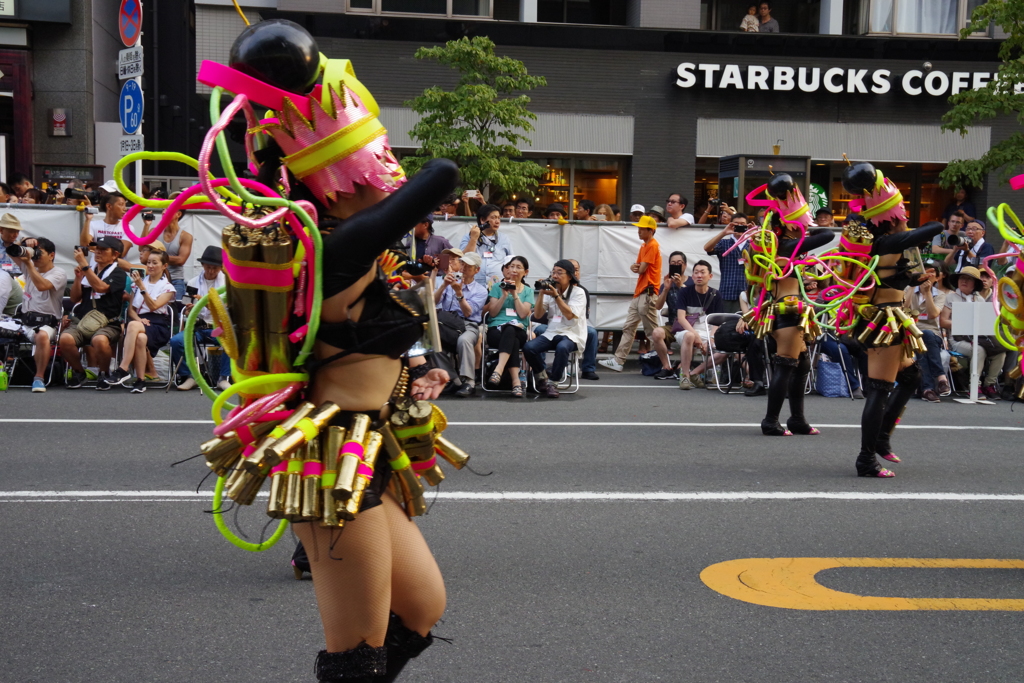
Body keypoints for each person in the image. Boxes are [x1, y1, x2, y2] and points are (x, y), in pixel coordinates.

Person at [197, 21, 471, 680]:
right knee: (358, 653)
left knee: (423, 605)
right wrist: (297, 109)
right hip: (327, 463)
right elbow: (441, 175)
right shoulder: (326, 250)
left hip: (367, 446)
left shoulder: (348, 245)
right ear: (329, 177)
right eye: (370, 159)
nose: (388, 169)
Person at [837, 161, 944, 477]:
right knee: (879, 388)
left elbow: (894, 279)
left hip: (892, 317)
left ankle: (882, 438)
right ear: (890, 217)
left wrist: (915, 279)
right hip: (883, 321)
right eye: (901, 213)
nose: (907, 218)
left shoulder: (888, 244)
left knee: (911, 378)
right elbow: (935, 227)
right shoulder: (887, 242)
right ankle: (866, 459)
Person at [736, 183, 834, 436]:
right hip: (787, 311)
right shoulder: (787, 247)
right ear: (790, 223)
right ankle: (770, 421)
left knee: (801, 365)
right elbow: (828, 235)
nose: (806, 224)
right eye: (802, 220)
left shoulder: (783, 245)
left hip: (789, 309)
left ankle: (797, 419)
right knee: (786, 365)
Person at [59, 236, 129, 390]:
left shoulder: (119, 273)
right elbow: (74, 298)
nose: (98, 252)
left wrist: (85, 267)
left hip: (108, 322)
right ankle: (79, 372)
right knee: (65, 339)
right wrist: (78, 279)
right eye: (97, 248)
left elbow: (101, 288)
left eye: (103, 249)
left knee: (99, 340)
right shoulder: (90, 270)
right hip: (83, 320)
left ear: (115, 254)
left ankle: (103, 373)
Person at [599, 215, 662, 373]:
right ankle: (618, 360)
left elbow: (639, 268)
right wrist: (636, 267)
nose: (639, 231)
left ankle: (660, 361)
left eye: (642, 229)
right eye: (639, 228)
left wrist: (637, 267)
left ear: (651, 230)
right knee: (630, 327)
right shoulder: (645, 245)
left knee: (652, 331)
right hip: (642, 292)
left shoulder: (652, 245)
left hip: (647, 292)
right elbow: (638, 266)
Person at [109, 251, 176, 393]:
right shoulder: (138, 284)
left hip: (158, 324)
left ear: (164, 266)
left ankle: (123, 368)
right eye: (149, 262)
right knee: (140, 337)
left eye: (154, 263)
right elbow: (131, 310)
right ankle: (141, 380)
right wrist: (140, 320)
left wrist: (142, 287)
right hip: (141, 321)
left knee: (133, 326)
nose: (150, 266)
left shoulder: (167, 287)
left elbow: (154, 306)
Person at [524, 260, 588, 398]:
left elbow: (570, 315)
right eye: (553, 272)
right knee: (529, 347)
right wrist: (541, 294)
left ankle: (554, 383)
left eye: (559, 272)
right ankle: (542, 377)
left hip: (572, 333)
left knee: (563, 347)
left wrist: (556, 296)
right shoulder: (550, 290)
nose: (555, 276)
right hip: (552, 332)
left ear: (569, 276)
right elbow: (538, 315)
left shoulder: (579, 292)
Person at [10, 237, 67, 392]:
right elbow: (11, 249)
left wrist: (29, 264)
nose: (35, 256)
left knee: (41, 335)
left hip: (46, 324)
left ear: (51, 255)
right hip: (24, 321)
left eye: (38, 253)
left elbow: (42, 286)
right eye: (34, 253)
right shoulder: (29, 266)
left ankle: (39, 378)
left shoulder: (59, 273)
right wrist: (25, 241)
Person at [940, 266, 1004, 400]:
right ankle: (975, 385)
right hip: (957, 340)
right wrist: (964, 322)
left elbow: (986, 323)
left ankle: (989, 385)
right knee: (979, 350)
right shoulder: (951, 297)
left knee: (1000, 352)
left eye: (969, 279)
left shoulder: (979, 299)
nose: (964, 281)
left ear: (975, 284)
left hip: (979, 338)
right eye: (962, 278)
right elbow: (943, 322)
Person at [171, 246, 230, 391]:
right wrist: (189, 311)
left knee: (231, 340)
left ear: (221, 268)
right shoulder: (192, 282)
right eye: (208, 267)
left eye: (215, 268)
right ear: (203, 265)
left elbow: (226, 309)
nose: (211, 271)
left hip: (219, 327)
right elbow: (185, 308)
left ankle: (223, 378)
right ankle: (190, 376)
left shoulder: (227, 284)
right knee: (176, 341)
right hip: (198, 326)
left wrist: (204, 302)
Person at [434, 251, 487, 397]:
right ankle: (454, 380)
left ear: (477, 270)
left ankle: (469, 382)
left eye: (469, 266)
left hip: (468, 325)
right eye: (462, 263)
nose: (463, 268)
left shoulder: (481, 290)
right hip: (447, 322)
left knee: (464, 340)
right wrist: (444, 286)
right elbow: (434, 302)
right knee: (434, 341)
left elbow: (468, 313)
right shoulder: (449, 281)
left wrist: (459, 294)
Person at [484, 255, 534, 397]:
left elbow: (523, 314)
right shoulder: (496, 287)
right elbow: (492, 313)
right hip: (496, 331)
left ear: (526, 272)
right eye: (512, 266)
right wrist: (504, 295)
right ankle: (516, 382)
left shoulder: (528, 291)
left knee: (512, 329)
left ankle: (498, 370)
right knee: (512, 337)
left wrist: (514, 294)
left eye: (518, 267)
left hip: (519, 329)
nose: (514, 270)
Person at [676, 260, 726, 389]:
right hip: (687, 330)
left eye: (702, 272)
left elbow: (718, 321)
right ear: (692, 276)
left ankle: (695, 372)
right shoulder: (684, 292)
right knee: (689, 336)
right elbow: (681, 318)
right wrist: (695, 335)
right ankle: (685, 376)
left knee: (724, 350)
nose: (699, 275)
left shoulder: (716, 294)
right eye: (696, 273)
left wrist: (711, 338)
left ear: (710, 276)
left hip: (709, 332)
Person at [904, 262, 948, 402]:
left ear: (938, 277)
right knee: (921, 340)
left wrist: (928, 293)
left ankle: (927, 389)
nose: (928, 276)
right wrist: (912, 285)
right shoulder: (909, 289)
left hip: (932, 335)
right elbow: (904, 309)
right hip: (911, 332)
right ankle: (940, 377)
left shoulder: (940, 295)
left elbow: (933, 314)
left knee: (926, 336)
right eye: (925, 272)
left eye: (932, 273)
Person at [649, 251, 690, 379]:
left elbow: (693, 305)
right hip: (673, 324)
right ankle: (666, 367)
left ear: (685, 265)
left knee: (690, 336)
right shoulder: (666, 284)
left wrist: (680, 286)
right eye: (673, 263)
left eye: (679, 263)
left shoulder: (692, 283)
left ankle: (682, 367)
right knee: (656, 333)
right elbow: (658, 306)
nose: (676, 265)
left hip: (690, 325)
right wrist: (666, 289)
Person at [142, 202, 193, 299]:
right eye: (163, 210)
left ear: (178, 214)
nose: (164, 212)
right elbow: (142, 250)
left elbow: (181, 260)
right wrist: (146, 226)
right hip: (155, 277)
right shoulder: (154, 231)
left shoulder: (186, 236)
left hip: (175, 280)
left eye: (168, 209)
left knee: (176, 311)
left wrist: (157, 257)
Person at [704, 212, 749, 313]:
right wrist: (723, 232)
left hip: (748, 292)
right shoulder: (724, 243)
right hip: (728, 291)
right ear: (731, 225)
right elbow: (707, 248)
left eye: (743, 224)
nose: (740, 226)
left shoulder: (753, 244)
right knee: (727, 323)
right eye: (736, 224)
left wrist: (755, 233)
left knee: (748, 325)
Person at [460, 203, 514, 286]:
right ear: (482, 220)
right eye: (493, 218)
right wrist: (473, 239)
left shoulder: (504, 238)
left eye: (499, 218)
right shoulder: (469, 237)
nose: (497, 221)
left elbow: (511, 260)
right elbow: (465, 258)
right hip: (475, 284)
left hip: (498, 284)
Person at [82, 190, 134, 270]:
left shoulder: (128, 227)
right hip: (95, 271)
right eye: (121, 205)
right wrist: (88, 219)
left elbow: (121, 253)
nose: (125, 209)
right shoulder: (93, 224)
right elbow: (85, 245)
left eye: (125, 205)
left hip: (117, 273)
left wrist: (95, 248)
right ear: (109, 206)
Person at [567, 258, 600, 380]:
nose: (575, 273)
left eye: (577, 270)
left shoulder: (582, 291)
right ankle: (542, 370)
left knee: (591, 332)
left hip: (575, 324)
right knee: (539, 330)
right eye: (571, 270)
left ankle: (588, 369)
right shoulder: (555, 287)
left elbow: (583, 317)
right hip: (554, 324)